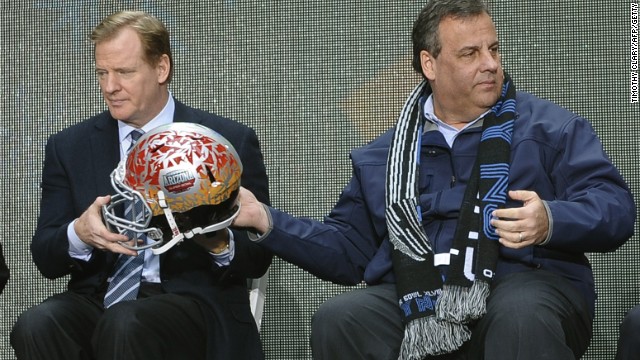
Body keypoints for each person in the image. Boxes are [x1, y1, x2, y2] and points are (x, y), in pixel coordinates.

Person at [232, 0, 636, 359]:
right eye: (470, 53)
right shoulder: (384, 155)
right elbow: (349, 250)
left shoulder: (550, 129)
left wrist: (551, 218)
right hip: (419, 303)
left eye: (493, 49)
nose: (491, 63)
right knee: (341, 319)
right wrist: (267, 220)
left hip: (525, 287)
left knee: (520, 313)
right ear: (430, 64)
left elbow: (616, 208)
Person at [11, 10, 271, 360]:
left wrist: (215, 237)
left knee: (126, 322)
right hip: (99, 299)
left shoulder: (223, 142)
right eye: (102, 73)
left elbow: (258, 257)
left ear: (161, 68)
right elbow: (45, 256)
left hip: (194, 304)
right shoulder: (68, 147)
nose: (109, 86)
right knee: (37, 323)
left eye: (124, 72)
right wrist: (79, 233)